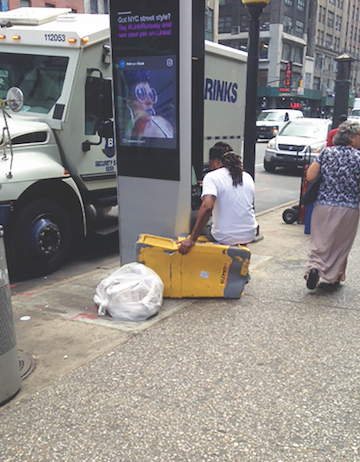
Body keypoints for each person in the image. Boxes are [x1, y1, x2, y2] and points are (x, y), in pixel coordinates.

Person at [305, 120, 360, 290]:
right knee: (340, 243)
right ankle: (334, 276)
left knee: (319, 241)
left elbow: (310, 175)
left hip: (323, 205)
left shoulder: (326, 153)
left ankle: (314, 268)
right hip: (349, 207)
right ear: (351, 137)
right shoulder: (358, 157)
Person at [178, 142, 258, 255]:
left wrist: (192, 239)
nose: (210, 166)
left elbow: (207, 207)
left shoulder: (211, 177)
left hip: (224, 237)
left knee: (199, 220)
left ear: (216, 161)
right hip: (249, 233)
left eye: (210, 162)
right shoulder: (247, 176)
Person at [120, 69, 173, 139]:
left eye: (150, 94)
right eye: (141, 94)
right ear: (129, 103)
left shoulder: (162, 123)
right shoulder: (126, 136)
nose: (150, 102)